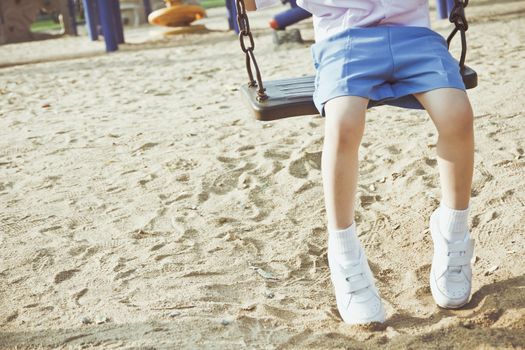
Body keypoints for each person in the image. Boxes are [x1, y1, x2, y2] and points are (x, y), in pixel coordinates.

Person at [244, 0, 475, 324]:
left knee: (457, 114)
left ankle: (453, 230)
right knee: (344, 122)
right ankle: (344, 252)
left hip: (416, 38)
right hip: (345, 40)